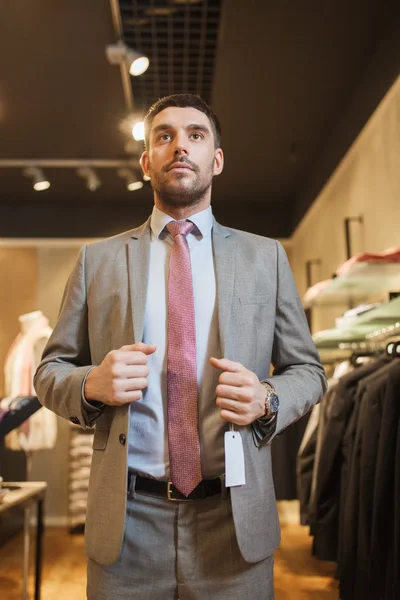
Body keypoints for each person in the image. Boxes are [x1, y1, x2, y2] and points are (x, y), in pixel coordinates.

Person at [34, 93, 327, 599]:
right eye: (164, 136)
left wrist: (267, 399)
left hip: (233, 523)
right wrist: (90, 385)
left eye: (196, 135)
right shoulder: (96, 261)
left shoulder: (265, 258)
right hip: (127, 526)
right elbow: (49, 371)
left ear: (216, 159)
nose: (180, 147)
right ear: (147, 162)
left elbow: (309, 370)